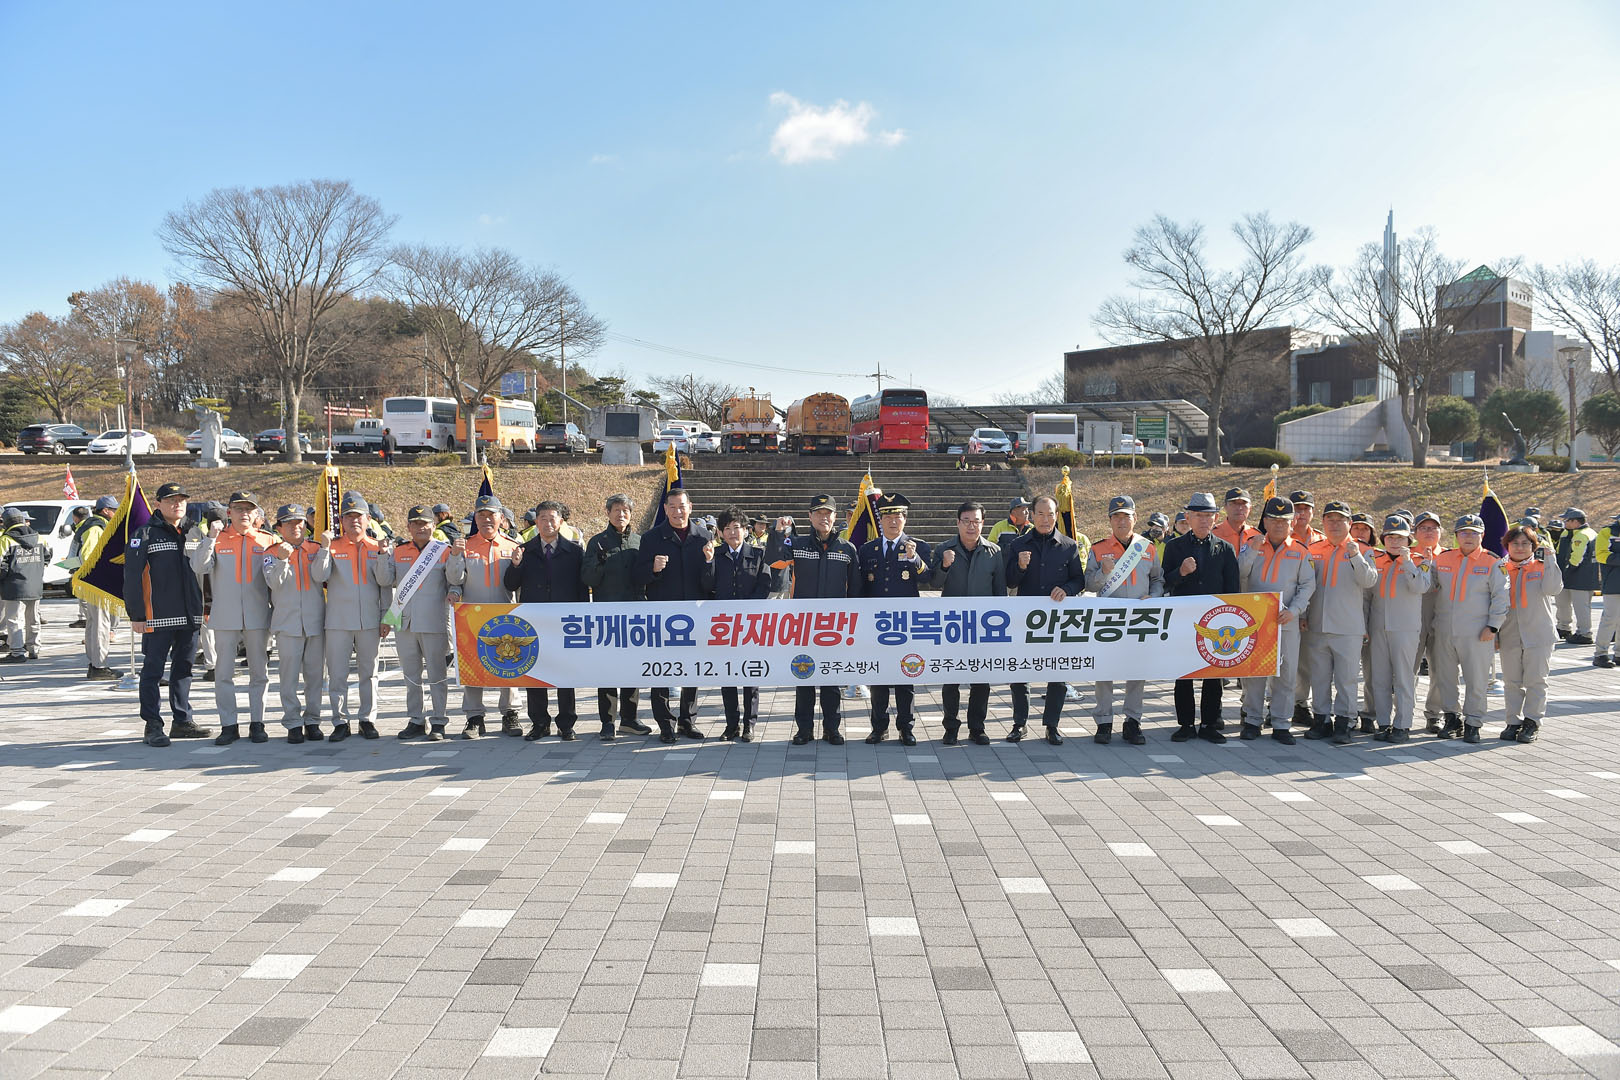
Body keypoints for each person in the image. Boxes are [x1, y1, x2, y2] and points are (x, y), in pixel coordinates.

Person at [124, 482, 212, 746]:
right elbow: (132, 577)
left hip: (190, 615)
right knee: (153, 672)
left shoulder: (195, 532)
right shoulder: (145, 534)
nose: (177, 504)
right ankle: (152, 724)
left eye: (182, 500)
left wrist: (207, 606)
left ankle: (182, 721)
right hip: (157, 615)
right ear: (158, 504)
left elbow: (206, 573)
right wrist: (137, 614)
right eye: (171, 500)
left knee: (184, 670)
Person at [191, 491, 277, 745]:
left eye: (249, 509)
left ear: (256, 514)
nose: (244, 514)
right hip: (225, 615)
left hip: (257, 615)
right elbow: (199, 566)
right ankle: (228, 725)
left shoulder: (267, 540)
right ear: (229, 513)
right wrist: (210, 537)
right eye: (239, 509)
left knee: (259, 673)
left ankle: (257, 723)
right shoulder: (217, 539)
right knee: (223, 674)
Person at [1004, 495, 1088, 746]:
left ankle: (1052, 725)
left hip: (1057, 622)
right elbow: (1009, 580)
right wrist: (1020, 567)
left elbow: (1079, 580)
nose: (1045, 519)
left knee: (1057, 674)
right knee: (1020, 672)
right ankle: (1019, 723)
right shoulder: (1018, 544)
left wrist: (1067, 589)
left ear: (1056, 516)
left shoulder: (1069, 546)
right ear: (1031, 515)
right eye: (1040, 514)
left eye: (1050, 514)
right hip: (1024, 620)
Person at [633, 489, 715, 741]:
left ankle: (687, 721)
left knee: (692, 669)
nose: (678, 511)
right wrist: (653, 568)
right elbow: (637, 576)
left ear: (690, 507)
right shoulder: (651, 538)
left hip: (694, 615)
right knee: (661, 671)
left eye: (682, 506)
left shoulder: (704, 536)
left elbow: (710, 581)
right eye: (673, 507)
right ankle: (666, 724)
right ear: (665, 509)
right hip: (662, 615)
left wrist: (709, 562)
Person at [312, 492, 392, 741]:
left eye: (358, 516)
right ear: (341, 521)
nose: (354, 521)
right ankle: (340, 721)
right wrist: (324, 548)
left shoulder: (377, 547)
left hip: (369, 620)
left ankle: (367, 719)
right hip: (338, 621)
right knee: (337, 674)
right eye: (348, 517)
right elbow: (319, 576)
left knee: (369, 673)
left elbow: (385, 584)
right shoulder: (333, 546)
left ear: (368, 519)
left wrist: (387, 617)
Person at [1086, 495, 1165, 746]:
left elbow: (1158, 579)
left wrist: (1154, 597)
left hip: (1139, 619)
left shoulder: (1147, 548)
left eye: (1126, 516)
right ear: (1110, 520)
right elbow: (1088, 584)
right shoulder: (1098, 549)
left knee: (1137, 671)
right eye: (1117, 517)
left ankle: (1133, 721)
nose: (1122, 521)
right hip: (1108, 619)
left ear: (1135, 518)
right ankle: (1104, 721)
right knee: (1104, 671)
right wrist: (1103, 572)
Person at [505, 500, 587, 740]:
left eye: (553, 519)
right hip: (534, 621)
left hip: (565, 622)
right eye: (543, 519)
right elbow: (510, 584)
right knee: (536, 672)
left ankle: (566, 724)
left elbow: (582, 588)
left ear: (561, 521)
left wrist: (581, 616)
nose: (548, 523)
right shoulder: (524, 550)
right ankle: (539, 723)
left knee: (565, 674)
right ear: (536, 522)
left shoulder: (574, 552)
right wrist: (515, 565)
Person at [1162, 492, 1240, 742]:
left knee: (1213, 675)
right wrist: (1181, 572)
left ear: (1216, 518)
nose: (1204, 520)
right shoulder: (1174, 547)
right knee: (1184, 674)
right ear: (1188, 517)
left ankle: (1209, 724)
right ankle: (1186, 724)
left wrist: (1229, 619)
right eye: (1198, 515)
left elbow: (1233, 589)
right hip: (1184, 620)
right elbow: (1164, 582)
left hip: (1216, 621)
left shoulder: (1225, 549)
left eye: (1209, 515)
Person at [381, 505, 464, 741]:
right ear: (408, 527)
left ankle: (439, 721)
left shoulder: (444, 551)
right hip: (405, 623)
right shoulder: (398, 552)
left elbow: (456, 580)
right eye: (415, 523)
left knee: (437, 675)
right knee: (411, 676)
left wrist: (455, 565)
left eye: (425, 523)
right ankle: (416, 719)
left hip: (434, 622)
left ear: (433, 526)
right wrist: (382, 555)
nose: (420, 528)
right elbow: (385, 580)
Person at [1236, 496, 1314, 744]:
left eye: (1284, 520)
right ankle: (1252, 720)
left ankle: (1281, 723)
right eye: (1273, 519)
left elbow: (1307, 585)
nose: (1279, 524)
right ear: (1265, 521)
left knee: (1286, 674)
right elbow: (1239, 572)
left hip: (1285, 620)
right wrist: (1252, 551)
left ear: (1292, 522)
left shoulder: (1300, 551)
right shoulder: (1252, 544)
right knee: (1254, 674)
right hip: (1256, 622)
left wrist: (1295, 611)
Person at [857, 494, 932, 745]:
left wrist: (914, 559)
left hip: (906, 624)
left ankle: (906, 727)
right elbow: (861, 586)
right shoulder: (868, 549)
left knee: (906, 675)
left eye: (897, 516)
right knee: (878, 677)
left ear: (905, 519)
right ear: (880, 520)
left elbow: (928, 579)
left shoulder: (918, 546)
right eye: (887, 516)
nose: (892, 521)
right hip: (877, 624)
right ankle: (879, 727)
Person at [931, 501, 1006, 746]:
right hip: (952, 626)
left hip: (983, 628)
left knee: (981, 680)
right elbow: (933, 583)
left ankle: (977, 728)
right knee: (951, 679)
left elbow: (1000, 592)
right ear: (958, 523)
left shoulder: (994, 552)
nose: (971, 526)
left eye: (976, 521)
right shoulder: (944, 549)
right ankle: (950, 727)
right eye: (966, 521)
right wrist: (944, 565)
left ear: (983, 523)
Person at [1302, 501, 1378, 745]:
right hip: (1317, 624)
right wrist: (1303, 615)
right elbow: (1305, 585)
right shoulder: (1313, 549)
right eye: (1330, 520)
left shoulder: (1363, 550)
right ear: (1323, 522)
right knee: (1319, 678)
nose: (1334, 524)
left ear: (1350, 524)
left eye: (1340, 520)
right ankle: (1321, 720)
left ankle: (1345, 722)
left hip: (1348, 627)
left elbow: (1369, 581)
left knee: (1346, 679)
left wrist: (1355, 555)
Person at [450, 494, 525, 738]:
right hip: (472, 617)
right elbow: (454, 580)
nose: (486, 520)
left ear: (501, 518)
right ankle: (474, 717)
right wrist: (454, 556)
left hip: (505, 615)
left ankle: (510, 713)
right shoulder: (465, 546)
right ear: (475, 519)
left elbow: (520, 583)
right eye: (481, 515)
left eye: (491, 515)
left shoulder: (513, 546)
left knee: (509, 662)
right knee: (472, 666)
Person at [789, 493, 861, 745]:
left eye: (828, 513)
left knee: (831, 679)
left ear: (835, 516)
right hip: (803, 625)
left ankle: (832, 728)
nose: (824, 517)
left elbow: (856, 590)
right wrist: (778, 534)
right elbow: (773, 561)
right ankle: (804, 729)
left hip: (834, 628)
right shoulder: (797, 545)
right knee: (804, 676)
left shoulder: (847, 548)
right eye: (818, 513)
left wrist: (853, 624)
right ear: (810, 517)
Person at [1429, 515, 1508, 741]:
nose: (1469, 537)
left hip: (1477, 632)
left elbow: (1501, 597)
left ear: (1482, 536)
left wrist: (1493, 627)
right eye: (1464, 532)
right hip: (1444, 629)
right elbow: (1428, 586)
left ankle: (1473, 722)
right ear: (1456, 535)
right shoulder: (1442, 559)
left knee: (1476, 680)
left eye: (1474, 533)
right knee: (1445, 678)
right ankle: (1452, 718)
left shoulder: (1492, 562)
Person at [582, 493, 653, 741]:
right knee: (608, 670)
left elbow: (647, 576)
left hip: (635, 615)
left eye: (625, 511)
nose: (621, 515)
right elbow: (588, 579)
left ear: (631, 514)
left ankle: (630, 719)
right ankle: (607, 721)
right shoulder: (597, 543)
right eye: (616, 510)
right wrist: (599, 563)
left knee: (632, 668)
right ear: (608, 513)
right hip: (607, 616)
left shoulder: (639, 541)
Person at [1366, 515, 1434, 743]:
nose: (1395, 542)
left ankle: (1403, 724)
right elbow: (1367, 596)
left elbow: (1420, 586)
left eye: (1400, 538)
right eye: (1390, 537)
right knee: (1380, 678)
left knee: (1404, 678)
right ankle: (1383, 723)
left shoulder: (1420, 560)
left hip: (1405, 629)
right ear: (1383, 539)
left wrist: (1407, 563)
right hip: (1379, 627)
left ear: (1409, 540)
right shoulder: (1375, 560)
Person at [265, 504, 327, 744]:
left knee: (315, 677)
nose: (295, 527)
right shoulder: (271, 552)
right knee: (289, 678)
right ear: (279, 528)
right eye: (289, 523)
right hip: (288, 623)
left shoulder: (317, 548)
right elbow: (274, 583)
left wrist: (325, 550)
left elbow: (322, 577)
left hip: (315, 622)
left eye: (299, 522)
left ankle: (313, 720)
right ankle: (292, 722)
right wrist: (282, 560)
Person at [709, 505, 772, 740]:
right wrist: (707, 562)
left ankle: (749, 724)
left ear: (746, 530)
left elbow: (765, 585)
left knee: (750, 677)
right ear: (720, 532)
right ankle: (731, 725)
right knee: (727, 676)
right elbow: (707, 586)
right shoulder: (715, 555)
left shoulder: (758, 554)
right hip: (723, 626)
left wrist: (747, 610)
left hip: (750, 625)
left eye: (737, 527)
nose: (732, 532)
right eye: (727, 528)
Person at [1497, 523, 1561, 745]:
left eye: (1525, 543)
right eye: (1515, 543)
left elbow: (1553, 589)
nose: (1520, 547)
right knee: (1511, 681)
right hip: (1509, 634)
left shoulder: (1542, 566)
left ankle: (1532, 721)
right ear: (1507, 545)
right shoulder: (1500, 568)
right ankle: (1512, 721)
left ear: (1534, 546)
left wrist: (1551, 558)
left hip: (1538, 634)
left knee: (1536, 680)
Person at [74, 496, 123, 678]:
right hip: (97, 583)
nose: (116, 513)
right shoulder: (96, 528)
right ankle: (99, 665)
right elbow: (89, 556)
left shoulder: (92, 525)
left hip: (93, 583)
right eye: (114, 510)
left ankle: (95, 662)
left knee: (94, 623)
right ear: (105, 511)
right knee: (101, 623)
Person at [1411, 511, 1448, 733]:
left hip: (1440, 616)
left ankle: (1435, 714)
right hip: (1413, 617)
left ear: (1440, 532)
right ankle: (1404, 711)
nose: (1429, 532)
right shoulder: (1407, 555)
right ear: (1415, 532)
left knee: (1440, 669)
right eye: (1423, 528)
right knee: (1408, 668)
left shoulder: (1449, 556)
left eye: (1433, 528)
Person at [0, 507, 48, 663]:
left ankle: (17, 652)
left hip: (14, 586)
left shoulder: (6, 540)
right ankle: (34, 648)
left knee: (14, 619)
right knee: (33, 618)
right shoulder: (39, 537)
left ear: (6, 522)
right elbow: (47, 557)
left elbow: (1, 564)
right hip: (35, 585)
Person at [1555, 507, 1598, 644]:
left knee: (1581, 607)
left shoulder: (1583, 535)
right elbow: (1558, 552)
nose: (1564, 523)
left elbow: (1577, 558)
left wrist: (1566, 571)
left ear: (1575, 521)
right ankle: (1563, 628)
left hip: (1580, 577)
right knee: (1562, 603)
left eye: (1566, 520)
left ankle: (1584, 634)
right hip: (1569, 575)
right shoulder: (1568, 533)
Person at [1594, 513, 1620, 667]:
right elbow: (1601, 555)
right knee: (1610, 619)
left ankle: (1618, 655)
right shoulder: (1606, 532)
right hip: (1612, 583)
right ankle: (1600, 654)